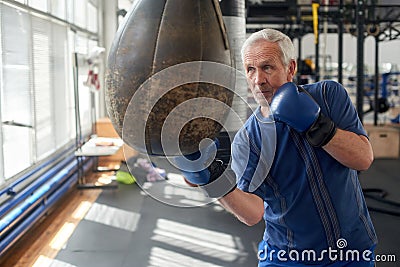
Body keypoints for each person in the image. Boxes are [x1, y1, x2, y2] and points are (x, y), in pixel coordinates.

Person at [177, 28, 377, 266]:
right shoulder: (249, 139)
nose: (258, 79)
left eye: (267, 67)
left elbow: (363, 159)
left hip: (351, 251)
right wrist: (212, 181)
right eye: (250, 69)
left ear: (290, 68)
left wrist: (317, 125)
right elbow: (253, 213)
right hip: (286, 256)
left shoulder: (327, 96)